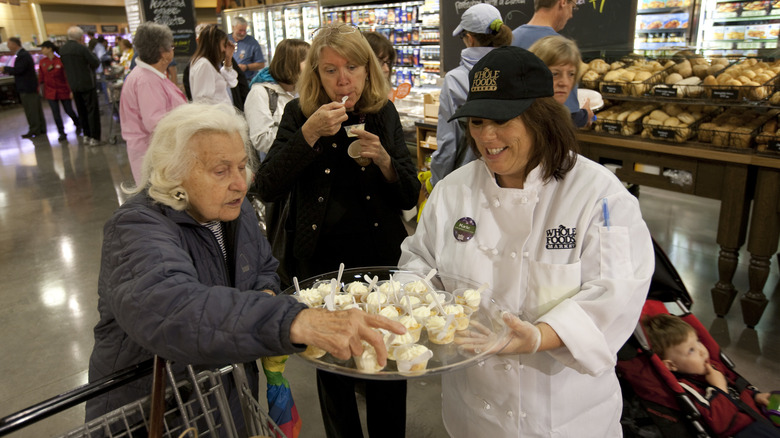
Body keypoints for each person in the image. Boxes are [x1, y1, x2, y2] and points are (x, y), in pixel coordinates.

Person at [86, 101, 406, 424]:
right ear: (173, 172)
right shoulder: (136, 227)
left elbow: (264, 269)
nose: (241, 183)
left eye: (242, 166)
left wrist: (266, 296)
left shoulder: (236, 212)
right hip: (159, 416)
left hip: (225, 399)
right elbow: (175, 309)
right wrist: (292, 321)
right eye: (221, 170)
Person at [398, 46, 655, 437]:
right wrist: (401, 305)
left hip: (563, 418)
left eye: (502, 120)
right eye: (477, 121)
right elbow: (419, 261)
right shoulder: (453, 192)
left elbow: (617, 295)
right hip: (473, 410)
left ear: (541, 118)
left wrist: (538, 336)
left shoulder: (597, 196)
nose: (487, 136)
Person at [255, 23, 420, 438]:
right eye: (330, 70)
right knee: (333, 370)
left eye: (352, 67)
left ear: (368, 71)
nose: (342, 79)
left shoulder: (382, 112)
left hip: (380, 260)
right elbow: (268, 184)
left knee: (385, 361)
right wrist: (308, 134)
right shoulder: (299, 114)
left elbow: (407, 194)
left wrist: (383, 159)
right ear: (316, 75)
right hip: (321, 262)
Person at [643, 314, 780, 437]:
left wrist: (755, 395)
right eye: (691, 350)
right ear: (671, 365)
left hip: (757, 416)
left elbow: (738, 387)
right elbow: (721, 424)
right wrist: (719, 388)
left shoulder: (714, 366)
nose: (702, 351)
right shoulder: (688, 388)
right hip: (743, 431)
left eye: (698, 342)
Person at [430, 3, 512, 187]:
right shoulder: (515, 70)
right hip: (511, 175)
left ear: (469, 39)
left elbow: (448, 145)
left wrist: (436, 183)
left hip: (468, 180)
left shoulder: (455, 80)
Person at [119, 22, 187, 184]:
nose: (172, 51)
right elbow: (157, 123)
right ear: (163, 53)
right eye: (171, 47)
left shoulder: (150, 76)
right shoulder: (146, 81)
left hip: (158, 154)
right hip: (154, 155)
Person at [512, 0, 588, 127]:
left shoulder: (509, 40)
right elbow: (569, 117)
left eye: (571, 75)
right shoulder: (561, 50)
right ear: (563, 2)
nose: (571, 15)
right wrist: (586, 115)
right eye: (573, 7)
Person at [245, 38, 309, 159]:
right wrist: (303, 135)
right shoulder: (260, 93)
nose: (312, 67)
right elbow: (261, 139)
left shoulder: (300, 90)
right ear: (292, 64)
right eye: (308, 62)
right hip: (277, 166)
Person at [529, 35, 593, 128]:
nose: (565, 83)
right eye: (555, 74)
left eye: (571, 74)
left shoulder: (556, 117)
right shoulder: (524, 123)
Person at [60, 26, 102, 146]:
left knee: (81, 110)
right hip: (87, 83)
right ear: (80, 37)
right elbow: (95, 62)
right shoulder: (81, 49)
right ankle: (94, 137)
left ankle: (86, 135)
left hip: (73, 84)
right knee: (92, 111)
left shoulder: (63, 50)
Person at [37, 41, 81, 142]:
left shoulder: (60, 61)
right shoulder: (43, 62)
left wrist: (71, 90)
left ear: (49, 49)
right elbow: (41, 77)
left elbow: (67, 77)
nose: (42, 50)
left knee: (68, 110)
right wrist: (39, 89)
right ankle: (61, 132)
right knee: (55, 113)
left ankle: (78, 123)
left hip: (63, 90)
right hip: (50, 92)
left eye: (43, 48)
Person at [3, 37, 46, 139]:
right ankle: (40, 128)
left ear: (14, 44)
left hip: (27, 87)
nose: (8, 47)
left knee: (31, 109)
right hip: (29, 86)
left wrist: (5, 68)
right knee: (35, 109)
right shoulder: (22, 54)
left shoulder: (22, 55)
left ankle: (34, 129)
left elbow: (19, 70)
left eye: (9, 44)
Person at [189, 25, 238, 106]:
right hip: (216, 116)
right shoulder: (204, 64)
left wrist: (228, 58)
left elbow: (230, 81)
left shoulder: (206, 63)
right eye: (223, 45)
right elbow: (203, 100)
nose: (224, 49)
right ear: (214, 45)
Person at [229, 16, 266, 81]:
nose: (243, 33)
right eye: (240, 30)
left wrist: (246, 67)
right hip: (229, 80)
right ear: (233, 27)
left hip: (247, 80)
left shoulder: (252, 42)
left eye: (245, 30)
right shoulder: (226, 39)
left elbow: (261, 64)